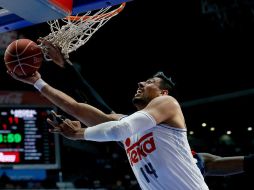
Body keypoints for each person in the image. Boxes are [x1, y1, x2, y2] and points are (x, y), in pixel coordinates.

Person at [8, 39, 209, 190]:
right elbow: (77, 108)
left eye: (149, 82)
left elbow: (118, 131)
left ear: (163, 92)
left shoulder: (167, 103)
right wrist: (37, 82)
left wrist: (79, 133)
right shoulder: (128, 124)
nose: (141, 83)